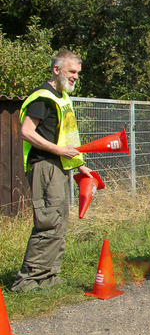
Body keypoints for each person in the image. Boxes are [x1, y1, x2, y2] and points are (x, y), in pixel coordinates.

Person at [12, 50, 93, 292]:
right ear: (56, 70)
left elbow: (65, 138)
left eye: (78, 73)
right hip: (45, 167)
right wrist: (58, 151)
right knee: (48, 222)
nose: (75, 77)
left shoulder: (62, 97)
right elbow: (27, 132)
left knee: (59, 222)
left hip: (59, 167)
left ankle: (48, 276)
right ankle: (27, 281)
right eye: (71, 71)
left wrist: (80, 165)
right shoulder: (43, 97)